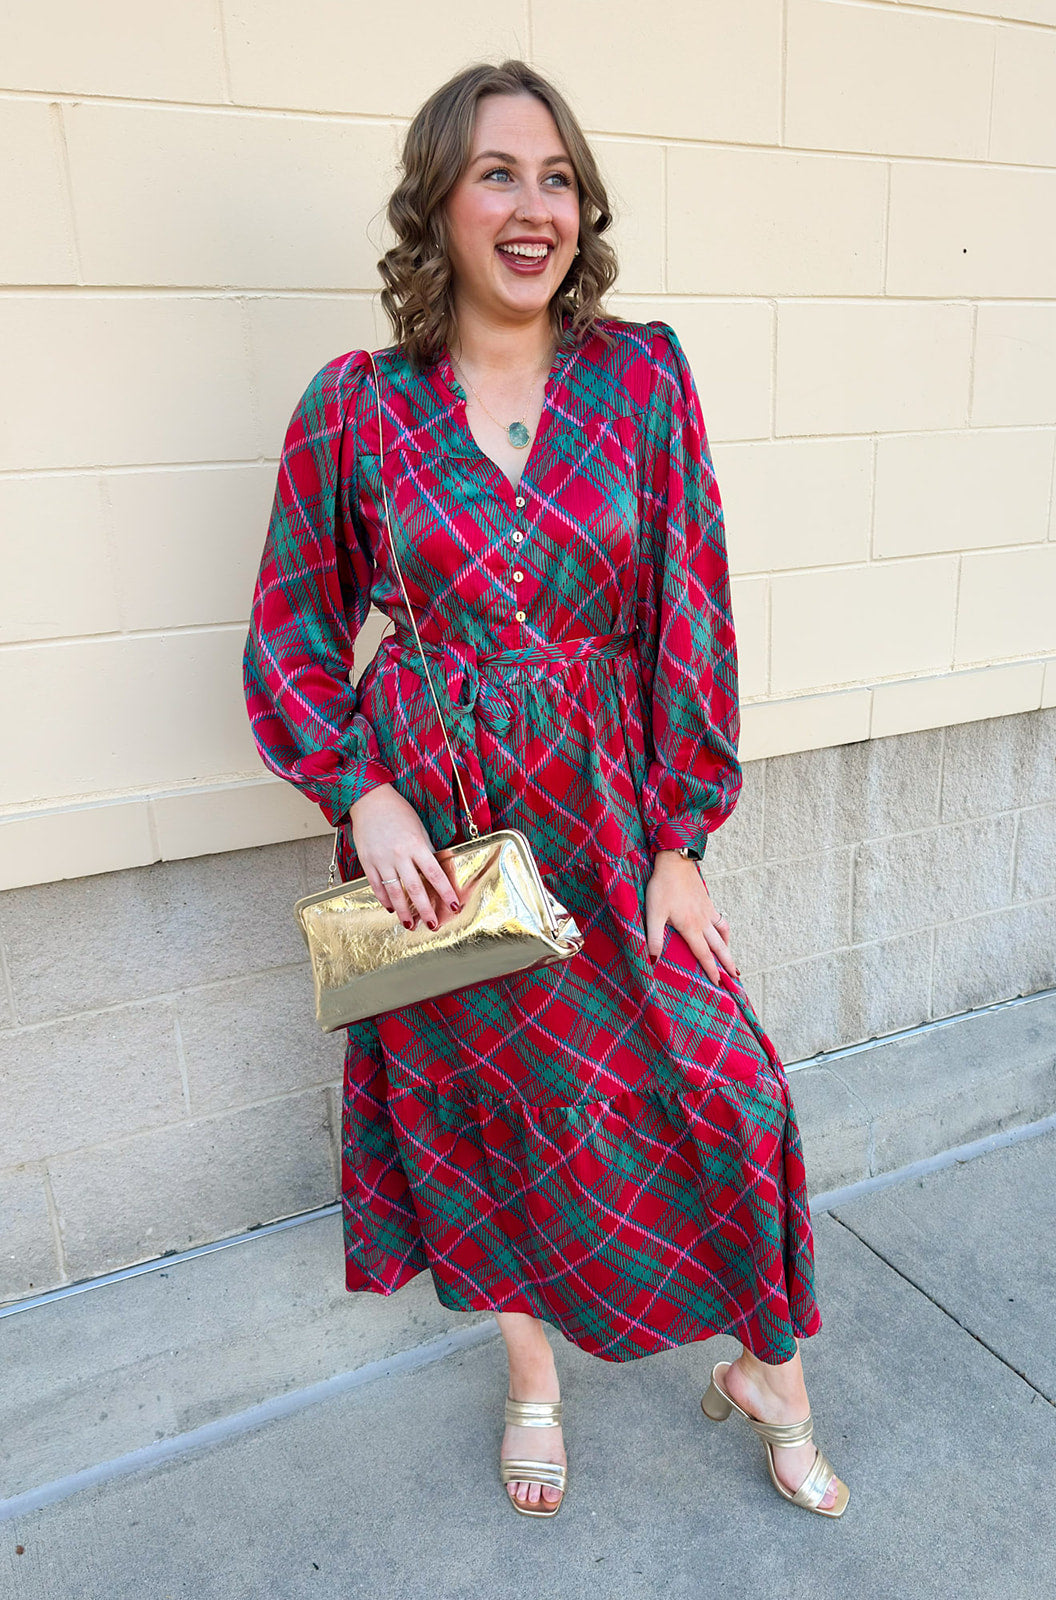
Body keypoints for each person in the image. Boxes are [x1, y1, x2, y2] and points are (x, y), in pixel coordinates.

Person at [243, 58, 848, 1521]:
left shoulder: (643, 376)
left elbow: (689, 606)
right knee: (490, 1111)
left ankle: (773, 1368)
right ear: (437, 203)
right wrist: (363, 795)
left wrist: (681, 839)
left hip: (610, 811)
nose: (534, 207)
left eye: (558, 176)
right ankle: (531, 1378)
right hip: (442, 838)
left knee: (727, 1091)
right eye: (498, 174)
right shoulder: (356, 408)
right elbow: (293, 628)